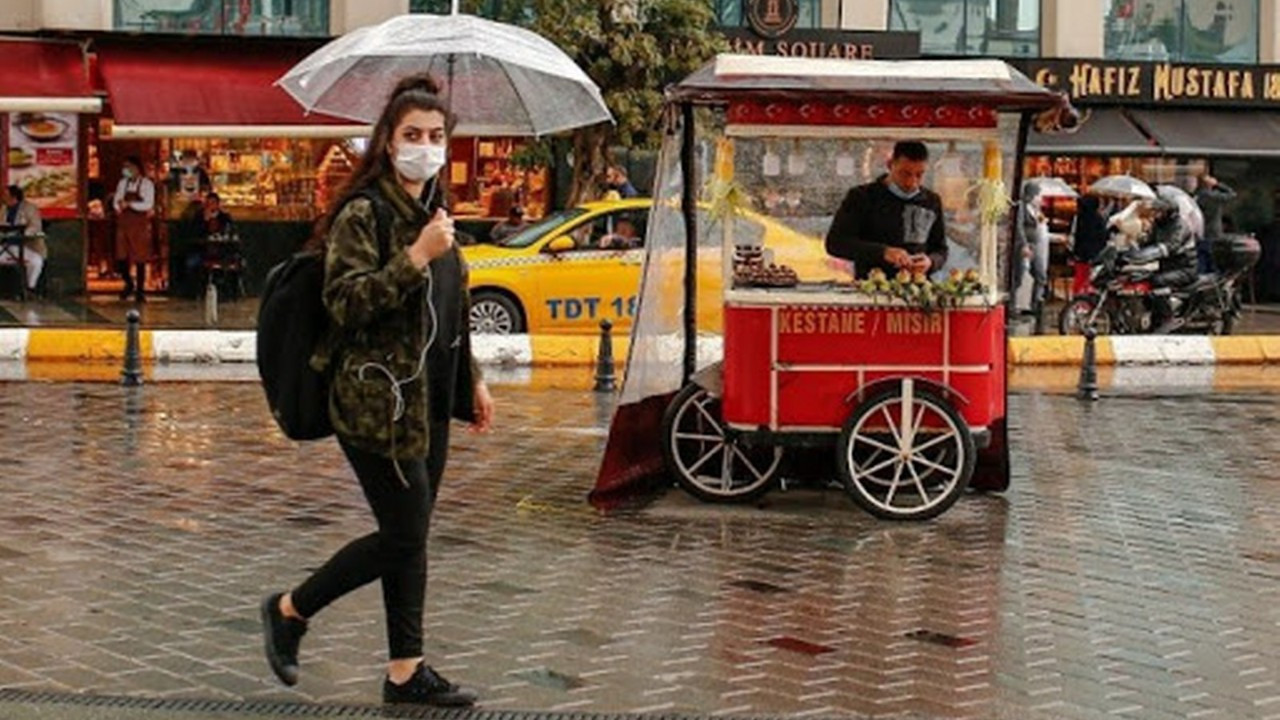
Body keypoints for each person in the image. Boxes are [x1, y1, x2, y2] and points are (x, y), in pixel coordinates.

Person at [259, 73, 495, 708]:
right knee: (403, 536)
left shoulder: (435, 215)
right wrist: (414, 256)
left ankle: (405, 672)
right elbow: (345, 301)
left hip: (430, 401)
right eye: (412, 135)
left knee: (409, 533)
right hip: (377, 404)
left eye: (436, 135)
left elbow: (453, 307)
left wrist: (472, 379)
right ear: (387, 144)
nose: (425, 145)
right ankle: (290, 610)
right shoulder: (366, 215)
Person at [825, 140, 947, 278]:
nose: (912, 182)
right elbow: (835, 243)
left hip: (917, 290)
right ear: (890, 165)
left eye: (919, 175)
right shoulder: (861, 197)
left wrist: (931, 262)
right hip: (871, 290)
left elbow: (941, 249)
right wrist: (883, 252)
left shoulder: (931, 201)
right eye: (905, 174)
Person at [113, 156, 155, 302]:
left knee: (140, 257)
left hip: (139, 225)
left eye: (129, 167)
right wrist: (118, 207)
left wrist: (130, 204)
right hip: (124, 224)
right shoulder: (122, 183)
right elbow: (116, 201)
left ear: (137, 168)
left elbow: (148, 204)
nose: (126, 170)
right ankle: (129, 283)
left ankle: (140, 290)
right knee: (121, 256)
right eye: (125, 167)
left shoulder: (147, 184)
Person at [1, 185, 46, 293]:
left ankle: (29, 288)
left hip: (26, 246)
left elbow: (35, 226)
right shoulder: (3, 208)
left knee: (36, 262)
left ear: (14, 197)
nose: (2, 197)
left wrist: (21, 233)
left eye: (5, 195)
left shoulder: (30, 209)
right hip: (4, 246)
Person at [1193, 173, 1236, 274]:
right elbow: (1232, 194)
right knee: (1212, 263)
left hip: (1200, 233)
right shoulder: (1212, 196)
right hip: (1212, 234)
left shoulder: (1197, 196)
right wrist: (1217, 184)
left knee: (1202, 260)